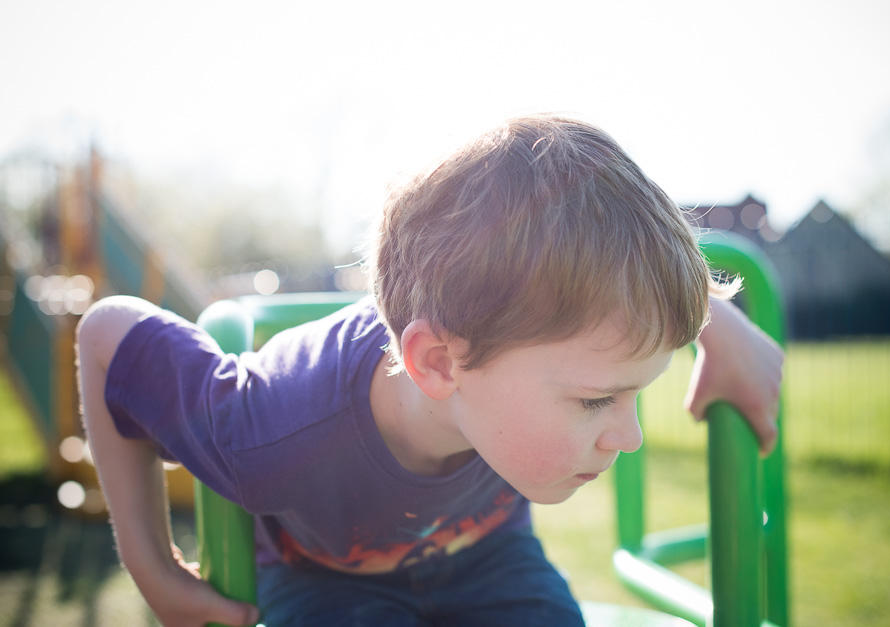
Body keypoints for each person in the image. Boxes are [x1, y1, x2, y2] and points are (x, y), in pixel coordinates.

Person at [76, 113, 782, 627]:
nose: (626, 436)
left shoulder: (500, 355)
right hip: (322, 579)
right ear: (439, 364)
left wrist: (718, 323)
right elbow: (108, 333)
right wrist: (154, 568)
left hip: (488, 557)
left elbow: (610, 290)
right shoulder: (269, 429)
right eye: (598, 400)